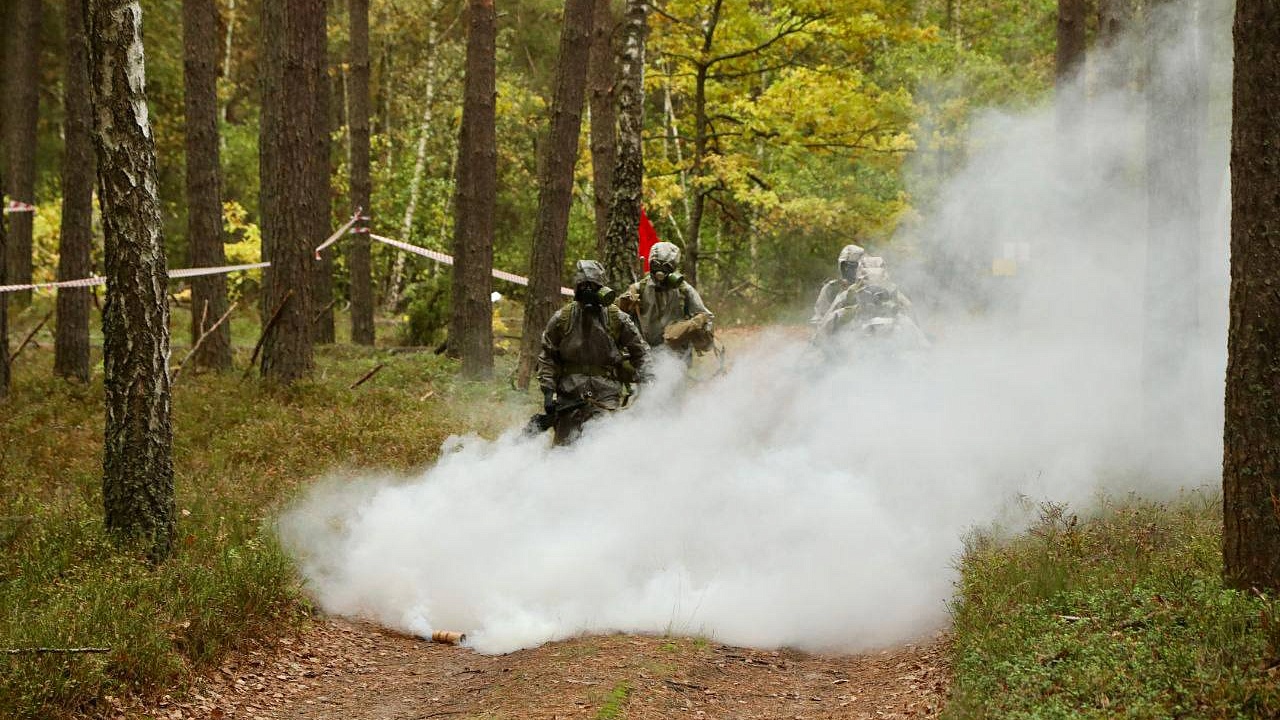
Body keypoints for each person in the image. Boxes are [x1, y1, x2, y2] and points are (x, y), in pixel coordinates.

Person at [536, 260, 650, 445]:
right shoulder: (562, 318)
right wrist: (548, 392)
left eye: (593, 286)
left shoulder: (617, 318)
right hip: (570, 396)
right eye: (583, 286)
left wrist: (649, 381)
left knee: (604, 447)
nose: (588, 291)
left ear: (602, 289)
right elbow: (547, 356)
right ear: (576, 288)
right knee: (563, 452)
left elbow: (640, 351)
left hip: (606, 394)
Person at [617, 241, 714, 363]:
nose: (660, 271)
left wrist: (693, 325)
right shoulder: (638, 289)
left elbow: (706, 316)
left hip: (677, 355)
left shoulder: (684, 290)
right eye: (656, 265)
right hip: (646, 353)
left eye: (666, 267)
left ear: (674, 268)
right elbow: (616, 316)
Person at [810, 244, 866, 325]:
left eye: (854, 267)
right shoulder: (831, 288)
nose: (848, 270)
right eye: (845, 266)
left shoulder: (869, 288)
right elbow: (820, 319)